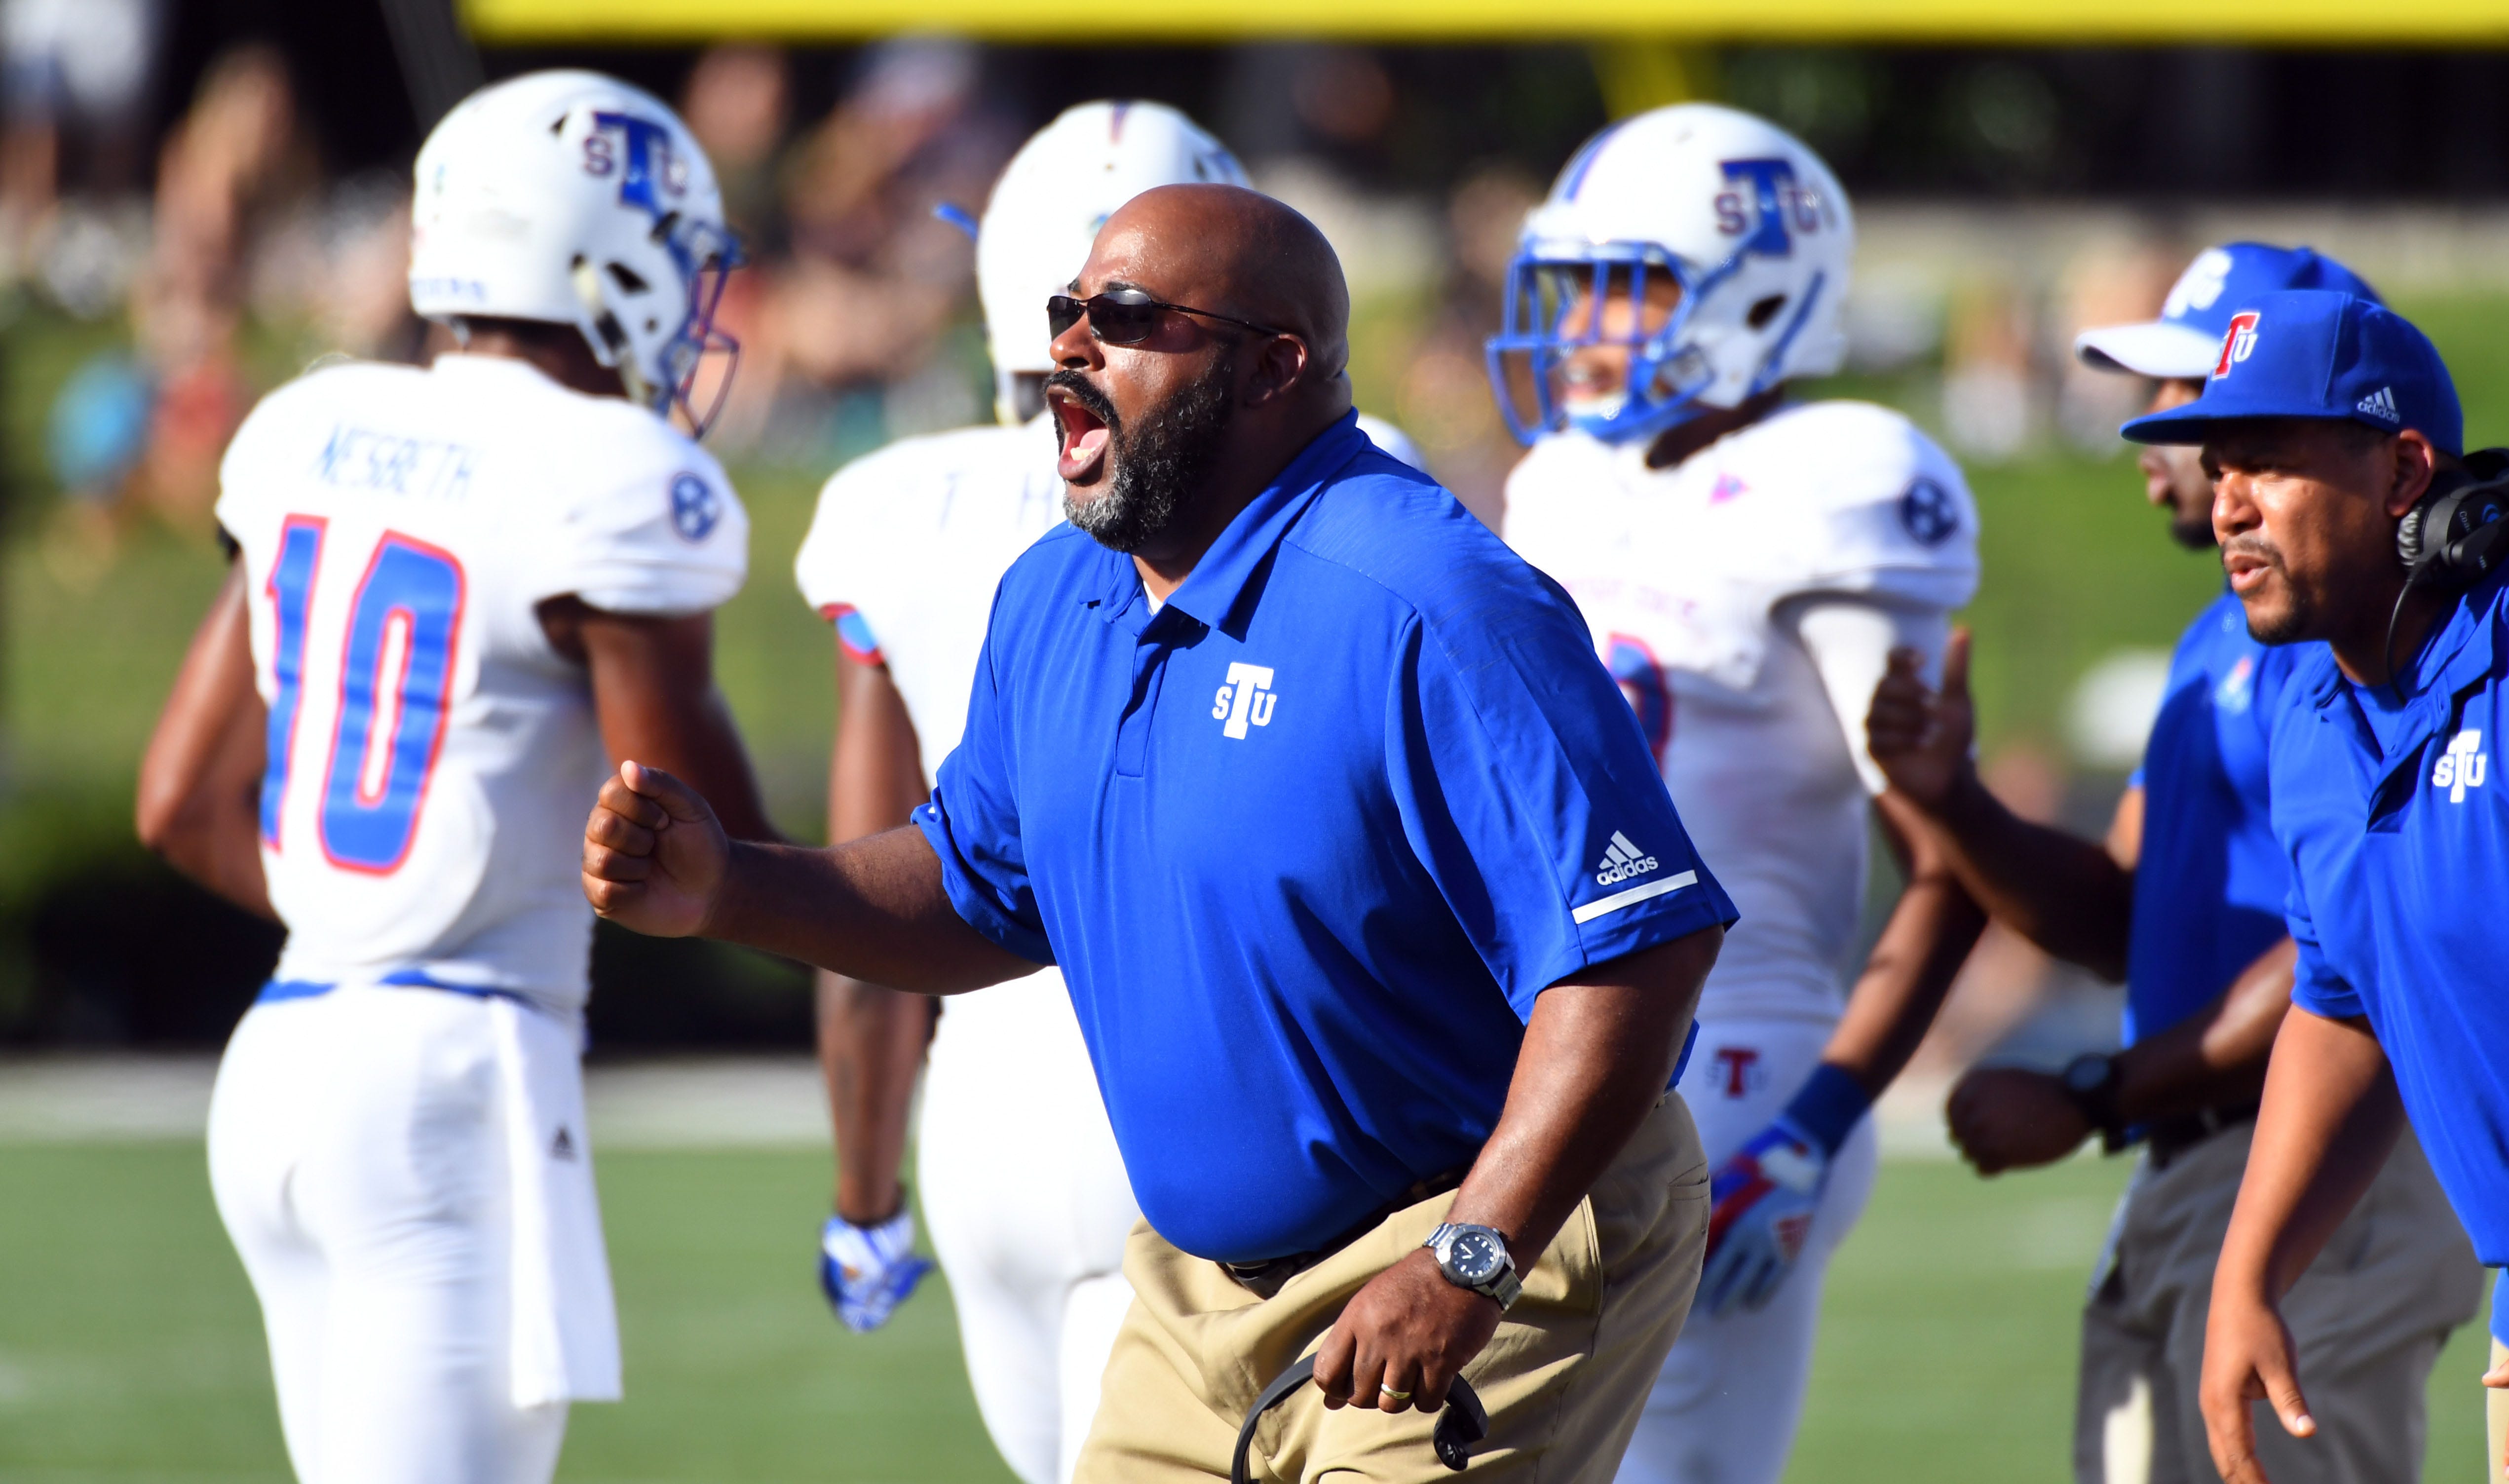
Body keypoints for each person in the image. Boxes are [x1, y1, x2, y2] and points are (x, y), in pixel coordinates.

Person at [584, 182, 1735, 1484]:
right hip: (1195, 1289)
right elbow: (972, 884)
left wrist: (1471, 1256)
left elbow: (1637, 951)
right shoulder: (1052, 591)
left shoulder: (1425, 594)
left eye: (1124, 317)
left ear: (1270, 366)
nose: (1070, 345)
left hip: (1472, 1233)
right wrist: (732, 888)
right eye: (1065, 310)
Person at [134, 72, 771, 1484]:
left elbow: (177, 803)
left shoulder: (314, 426)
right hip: (451, 1073)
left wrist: (371, 927)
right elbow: (705, 847)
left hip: (285, 1053)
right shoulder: (611, 474)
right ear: (599, 257)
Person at [1868, 253, 2479, 1484]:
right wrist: (1959, 806)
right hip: (2243, 1163)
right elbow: (2184, 936)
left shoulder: (2409, 647)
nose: (2209, 484)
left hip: (2327, 1161)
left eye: (2250, 438)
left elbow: (2340, 978)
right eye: (2212, 447)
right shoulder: (2270, 662)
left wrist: (2100, 1090)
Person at [1488, 102, 1988, 1484]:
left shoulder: (1841, 484)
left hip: (1740, 1058)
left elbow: (1946, 862)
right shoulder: (1562, 484)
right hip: (1548, 1039)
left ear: (1761, 290)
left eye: (1628, 281)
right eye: (1574, 278)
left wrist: (1822, 1127)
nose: (1584, 317)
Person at [792, 100, 1248, 1484]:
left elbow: (875, 887)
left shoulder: (902, 503)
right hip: (1184, 1099)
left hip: (982, 1116)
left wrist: (865, 1194)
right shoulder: (1311, 486)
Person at [2106, 291, 2502, 1483]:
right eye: (2218, 466)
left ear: (2402, 473)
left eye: (2268, 463)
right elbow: (2339, 1010)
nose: (2227, 504)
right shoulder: (2317, 725)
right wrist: (2248, 1277)